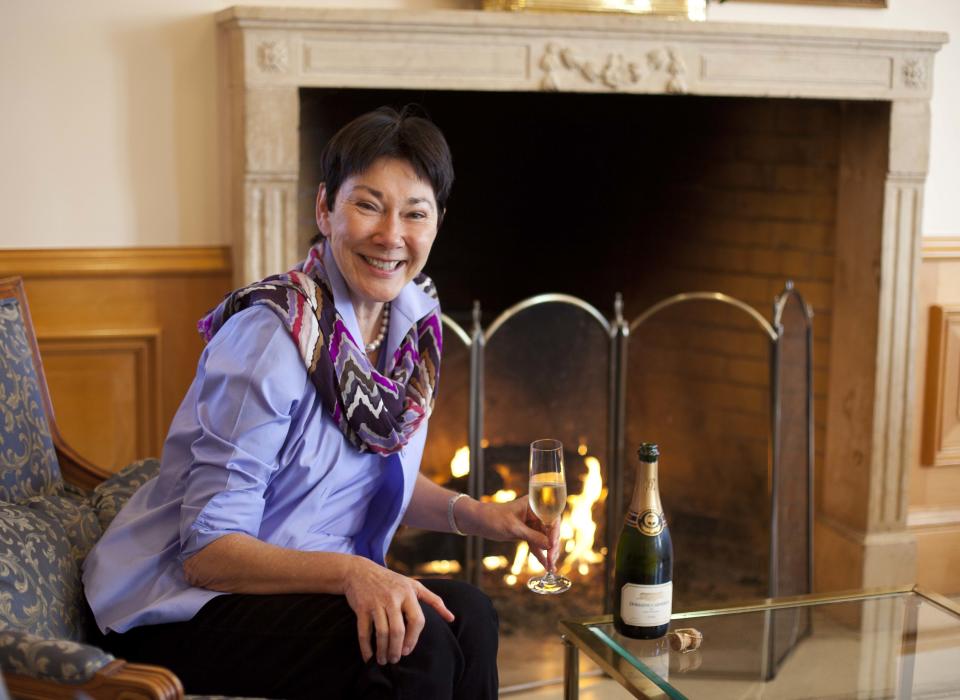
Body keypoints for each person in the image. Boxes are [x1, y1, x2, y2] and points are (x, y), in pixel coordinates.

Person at [82, 106, 560, 700]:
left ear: (436, 224)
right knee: (420, 642)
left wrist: (480, 514)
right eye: (367, 204)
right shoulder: (270, 337)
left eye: (415, 213)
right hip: (181, 606)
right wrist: (355, 572)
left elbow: (364, 482)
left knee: (471, 615)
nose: (391, 235)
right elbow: (208, 551)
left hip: (297, 584)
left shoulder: (413, 329)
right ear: (324, 208)